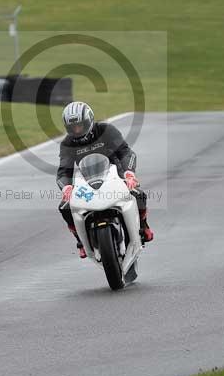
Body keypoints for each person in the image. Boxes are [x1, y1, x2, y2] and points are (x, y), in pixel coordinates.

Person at [57, 101, 153, 258]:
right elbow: (63, 171)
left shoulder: (106, 130)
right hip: (86, 178)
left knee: (138, 194)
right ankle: (81, 241)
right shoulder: (67, 143)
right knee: (65, 207)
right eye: (73, 127)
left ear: (88, 121)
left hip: (115, 172)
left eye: (80, 125)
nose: (77, 130)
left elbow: (125, 152)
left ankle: (143, 225)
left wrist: (129, 173)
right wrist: (66, 187)